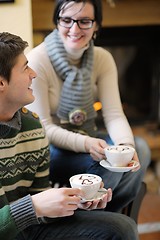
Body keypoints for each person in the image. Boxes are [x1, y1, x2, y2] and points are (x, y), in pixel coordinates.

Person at [0, 31, 141, 240]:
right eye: (25, 68)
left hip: (30, 228)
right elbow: (34, 207)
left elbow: (40, 198)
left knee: (123, 228)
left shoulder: (32, 125)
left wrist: (74, 202)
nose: (34, 74)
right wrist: (33, 207)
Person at [26, 0, 151, 212]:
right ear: (57, 22)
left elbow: (113, 114)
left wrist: (125, 146)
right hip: (51, 150)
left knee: (139, 149)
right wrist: (86, 144)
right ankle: (97, 219)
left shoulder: (102, 59)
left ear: (96, 26)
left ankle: (109, 214)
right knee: (104, 165)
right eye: (66, 20)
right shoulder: (38, 60)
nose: (74, 29)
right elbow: (43, 128)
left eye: (84, 21)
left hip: (88, 137)